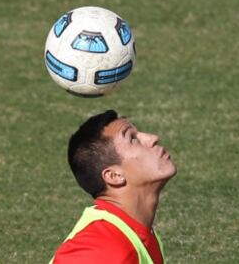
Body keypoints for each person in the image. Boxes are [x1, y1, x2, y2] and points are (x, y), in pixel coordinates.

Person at [49, 109, 177, 264]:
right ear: (115, 176)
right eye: (132, 138)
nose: (153, 138)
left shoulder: (135, 231)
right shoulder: (102, 249)